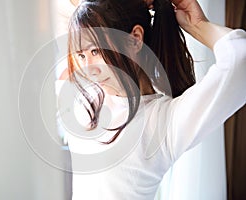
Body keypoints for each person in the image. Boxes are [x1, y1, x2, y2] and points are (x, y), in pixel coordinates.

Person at [57, 0, 246, 199]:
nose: (89, 68)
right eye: (81, 55)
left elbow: (241, 59)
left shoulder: (164, 121)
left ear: (135, 39)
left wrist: (198, 25)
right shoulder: (82, 100)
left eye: (95, 51)